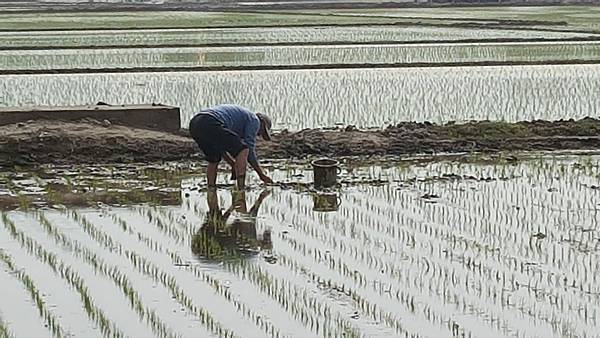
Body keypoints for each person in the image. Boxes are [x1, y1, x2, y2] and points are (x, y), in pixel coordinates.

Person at [189, 104, 274, 189]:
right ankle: (241, 188)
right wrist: (261, 174)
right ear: (262, 123)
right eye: (261, 131)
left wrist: (233, 164)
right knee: (243, 149)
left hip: (195, 124)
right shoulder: (254, 120)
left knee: (214, 159)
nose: (258, 134)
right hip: (210, 120)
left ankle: (211, 188)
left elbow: (221, 147)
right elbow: (249, 149)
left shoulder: (238, 122)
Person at [191, 189, 272, 261]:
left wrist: (231, 208)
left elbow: (220, 223)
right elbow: (251, 216)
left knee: (215, 219)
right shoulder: (250, 242)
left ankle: (213, 197)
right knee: (217, 222)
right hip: (202, 247)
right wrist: (260, 198)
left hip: (201, 246)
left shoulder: (249, 246)